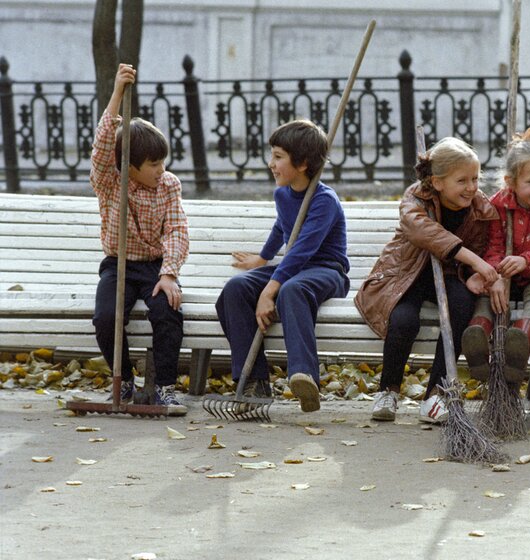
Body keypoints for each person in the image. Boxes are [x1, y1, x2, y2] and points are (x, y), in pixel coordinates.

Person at [355, 137, 499, 423]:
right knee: (404, 320)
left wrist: (471, 277)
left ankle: (436, 393)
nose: (471, 187)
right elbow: (420, 230)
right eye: (462, 180)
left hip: (448, 275)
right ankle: (388, 389)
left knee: (461, 305)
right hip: (407, 275)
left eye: (475, 178)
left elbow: (482, 247)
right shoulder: (416, 197)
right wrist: (474, 261)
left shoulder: (480, 208)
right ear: (437, 182)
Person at [216, 119, 350, 413]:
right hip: (293, 270)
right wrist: (263, 259)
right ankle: (254, 382)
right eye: (272, 155)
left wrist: (268, 291)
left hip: (326, 270)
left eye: (278, 157)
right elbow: (282, 226)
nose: (271, 163)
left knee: (291, 289)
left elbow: (301, 251)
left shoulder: (324, 200)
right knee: (235, 289)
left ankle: (305, 377)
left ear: (302, 163)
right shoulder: (282, 193)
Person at [90, 63, 189, 415]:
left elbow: (177, 231)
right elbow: (103, 148)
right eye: (152, 163)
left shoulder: (168, 185)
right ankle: (125, 380)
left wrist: (169, 273)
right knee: (105, 317)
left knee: (167, 310)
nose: (161, 169)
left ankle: (163, 386)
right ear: (129, 165)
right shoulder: (110, 181)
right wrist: (117, 92)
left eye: (163, 161)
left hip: (154, 268)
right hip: (117, 266)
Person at [461, 128, 530, 385]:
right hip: (503, 277)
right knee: (488, 290)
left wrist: (527, 262)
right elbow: (494, 245)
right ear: (510, 182)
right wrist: (495, 273)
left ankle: (520, 342)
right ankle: (477, 334)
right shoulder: (500, 205)